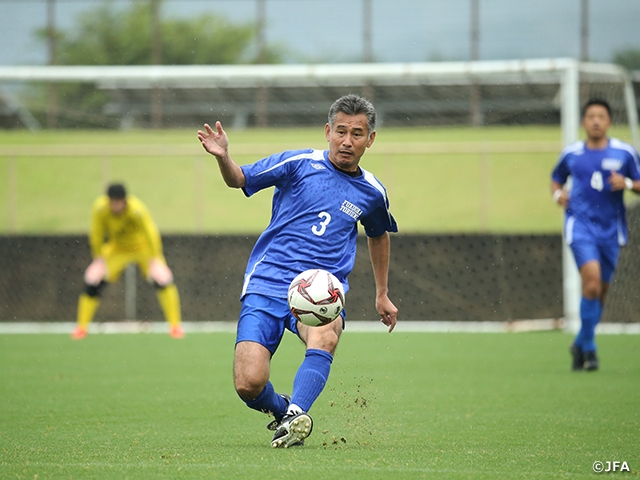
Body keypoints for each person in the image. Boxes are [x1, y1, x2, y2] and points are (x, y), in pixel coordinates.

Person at [197, 94, 398, 448]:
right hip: (268, 281)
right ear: (327, 132)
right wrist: (224, 157)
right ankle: (283, 409)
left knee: (326, 336)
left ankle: (296, 417)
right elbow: (240, 179)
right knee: (249, 383)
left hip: (321, 289)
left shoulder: (372, 192)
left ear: (371, 139)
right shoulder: (298, 163)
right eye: (340, 132)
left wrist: (381, 293)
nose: (347, 141)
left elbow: (378, 234)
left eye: (357, 133)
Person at [550, 99, 640, 371]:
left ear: (610, 121)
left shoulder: (625, 153)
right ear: (583, 122)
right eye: (591, 116)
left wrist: (625, 182)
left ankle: (579, 342)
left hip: (611, 230)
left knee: (600, 292)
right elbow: (556, 178)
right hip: (580, 226)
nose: (596, 121)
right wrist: (557, 193)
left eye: (601, 116)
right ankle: (590, 350)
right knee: (590, 284)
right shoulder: (572, 153)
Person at [72, 183, 184, 340]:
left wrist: (155, 258)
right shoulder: (100, 209)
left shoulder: (137, 210)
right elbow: (96, 234)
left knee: (163, 278)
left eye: (119, 202)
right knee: (92, 278)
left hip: (142, 249)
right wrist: (99, 258)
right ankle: (81, 327)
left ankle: (175, 326)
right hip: (117, 249)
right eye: (113, 202)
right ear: (108, 201)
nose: (116, 206)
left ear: (125, 201)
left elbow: (151, 233)